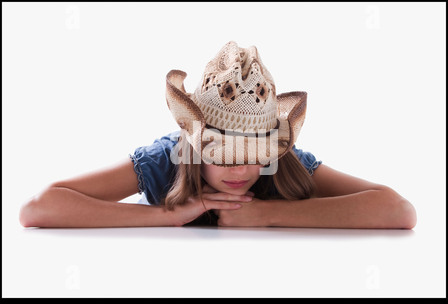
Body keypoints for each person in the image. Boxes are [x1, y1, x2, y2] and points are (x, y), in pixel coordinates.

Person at [19, 41, 416, 229]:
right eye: (222, 151)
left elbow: (399, 211)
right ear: (194, 143)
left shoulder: (285, 167)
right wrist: (168, 216)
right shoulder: (166, 161)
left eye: (255, 152)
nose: (242, 167)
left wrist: (265, 214)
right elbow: (38, 208)